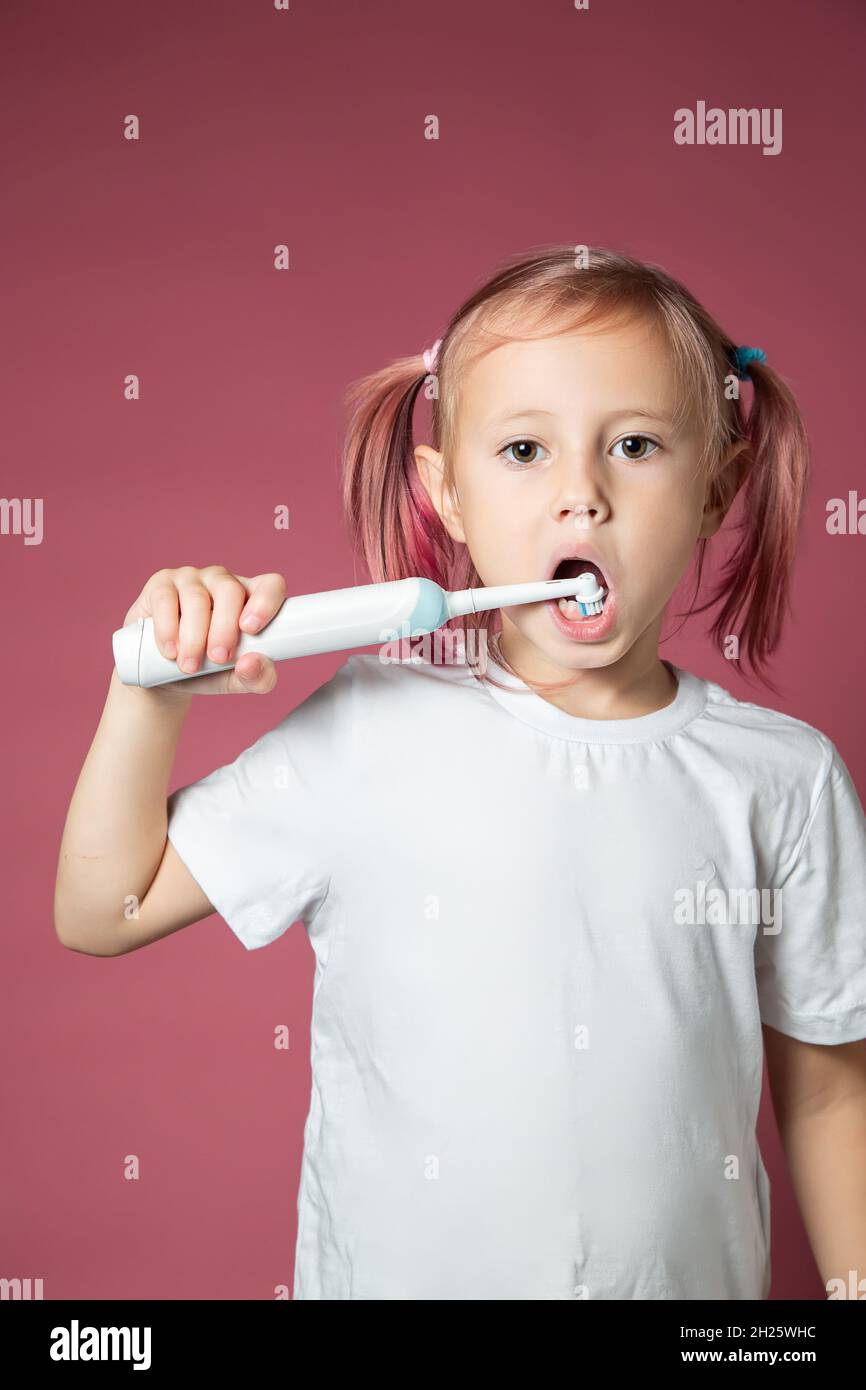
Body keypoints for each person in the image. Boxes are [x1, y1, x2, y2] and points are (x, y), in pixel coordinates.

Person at [54, 244, 866, 1300]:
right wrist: (148, 696)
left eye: (632, 444)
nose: (581, 497)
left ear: (714, 487)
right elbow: (99, 911)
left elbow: (825, 1098)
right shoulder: (372, 726)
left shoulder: (781, 778)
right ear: (448, 495)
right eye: (523, 449)